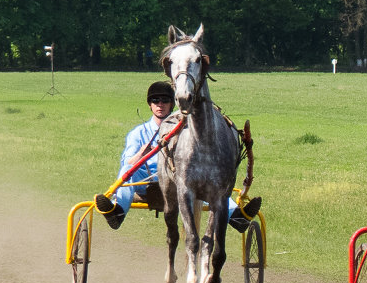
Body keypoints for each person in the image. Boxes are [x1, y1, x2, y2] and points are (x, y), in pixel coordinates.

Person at [95, 81, 260, 232]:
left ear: (172, 103)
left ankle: (237, 217)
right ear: (150, 105)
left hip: (178, 179)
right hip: (147, 181)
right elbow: (128, 163)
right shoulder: (138, 133)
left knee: (209, 181)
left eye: (165, 101)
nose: (160, 105)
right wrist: (141, 153)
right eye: (155, 101)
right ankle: (117, 213)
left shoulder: (185, 129)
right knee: (128, 168)